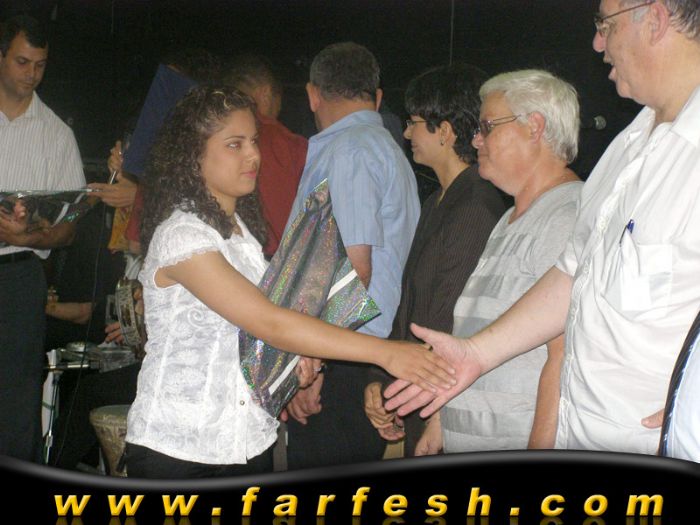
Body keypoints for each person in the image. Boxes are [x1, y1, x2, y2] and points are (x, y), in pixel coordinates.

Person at [385, 0, 700, 456]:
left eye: (606, 25)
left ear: (655, 19)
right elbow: (572, 274)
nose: (598, 43)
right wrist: (476, 354)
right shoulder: (628, 149)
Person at [124, 84, 453, 479]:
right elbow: (269, 322)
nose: (253, 155)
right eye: (234, 145)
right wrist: (386, 353)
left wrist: (298, 361)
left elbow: (257, 338)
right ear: (193, 155)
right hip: (181, 447)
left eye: (253, 141)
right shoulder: (183, 235)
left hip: (249, 441)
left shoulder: (241, 236)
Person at [414, 70, 582, 455]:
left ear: (534, 127)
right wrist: (442, 420)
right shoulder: (509, 219)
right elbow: (474, 332)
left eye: (487, 127)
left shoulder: (566, 216)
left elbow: (564, 357)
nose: (476, 140)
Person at [281, 42, 421, 469]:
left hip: (344, 358)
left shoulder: (352, 150)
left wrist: (315, 366)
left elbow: (354, 270)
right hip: (354, 353)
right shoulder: (378, 146)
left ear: (313, 95)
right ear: (376, 97)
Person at [363, 63, 505, 456]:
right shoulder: (438, 201)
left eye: (413, 123)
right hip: (418, 388)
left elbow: (449, 323)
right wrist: (379, 377)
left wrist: (398, 391)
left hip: (441, 400)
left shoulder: (475, 205)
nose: (407, 133)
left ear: (444, 131)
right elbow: (409, 306)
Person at [0, 14, 85, 462]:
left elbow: (70, 227)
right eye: (22, 62)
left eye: (40, 65)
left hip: (18, 277)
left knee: (16, 400)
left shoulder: (57, 135)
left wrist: (31, 234)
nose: (31, 74)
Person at [224, 54, 308, 257]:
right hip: (277, 259)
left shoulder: (210, 137)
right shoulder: (287, 144)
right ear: (266, 93)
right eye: (279, 102)